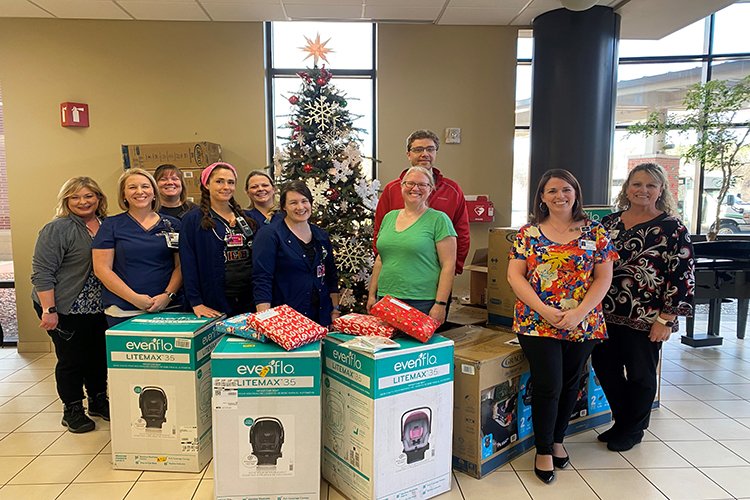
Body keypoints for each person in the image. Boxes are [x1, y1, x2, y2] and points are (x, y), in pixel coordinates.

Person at [507, 169, 617, 484]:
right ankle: (543, 449)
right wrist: (543, 309)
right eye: (552, 190)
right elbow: (515, 276)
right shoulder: (528, 233)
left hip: (583, 322)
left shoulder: (596, 231)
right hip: (536, 321)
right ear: (542, 197)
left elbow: (603, 277)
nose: (560, 196)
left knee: (571, 382)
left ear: (575, 193)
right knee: (548, 384)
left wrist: (580, 312)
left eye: (566, 189)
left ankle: (558, 440)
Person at [594, 163, 695, 452]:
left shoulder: (673, 228)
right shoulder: (609, 224)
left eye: (651, 185)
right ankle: (624, 421)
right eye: (637, 184)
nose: (643, 190)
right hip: (605, 314)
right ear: (627, 188)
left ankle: (633, 428)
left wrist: (666, 319)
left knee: (640, 374)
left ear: (661, 190)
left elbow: (682, 276)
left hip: (648, 318)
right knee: (605, 368)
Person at [31, 177, 110, 433]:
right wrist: (49, 309)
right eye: (75, 197)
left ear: (98, 198)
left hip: (99, 307)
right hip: (65, 306)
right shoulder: (57, 229)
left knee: (98, 357)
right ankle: (72, 408)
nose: (83, 202)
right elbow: (42, 272)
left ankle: (98, 400)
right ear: (66, 201)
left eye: (88, 196)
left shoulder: (107, 225)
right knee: (72, 359)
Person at [92, 168, 182, 326]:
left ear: (154, 192)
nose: (140, 191)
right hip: (124, 310)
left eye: (145, 186)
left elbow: (181, 266)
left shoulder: (173, 225)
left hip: (169, 308)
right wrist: (135, 298)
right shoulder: (111, 225)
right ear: (123, 195)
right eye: (132, 187)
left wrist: (168, 295)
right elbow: (102, 269)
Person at [367, 166, 457, 325]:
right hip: (387, 299)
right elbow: (381, 259)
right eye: (410, 183)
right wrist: (372, 295)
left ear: (430, 189)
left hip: (422, 302)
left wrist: (440, 304)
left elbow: (448, 265)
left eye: (423, 185)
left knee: (415, 350)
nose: (415, 188)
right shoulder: (389, 217)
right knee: (387, 348)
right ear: (402, 186)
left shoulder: (439, 220)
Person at [374, 129, 470, 277]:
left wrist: (453, 269)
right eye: (418, 149)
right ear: (408, 154)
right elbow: (379, 231)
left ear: (436, 153)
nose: (424, 154)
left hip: (438, 275)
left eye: (430, 149)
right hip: (396, 273)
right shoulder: (392, 190)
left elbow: (462, 233)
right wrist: (385, 265)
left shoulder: (452, 190)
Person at [253, 180, 340, 326]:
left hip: (320, 317)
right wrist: (264, 320)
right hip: (285, 320)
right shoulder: (269, 235)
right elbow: (262, 279)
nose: (300, 207)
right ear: (284, 207)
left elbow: (331, 276)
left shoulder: (321, 236)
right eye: (293, 203)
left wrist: (335, 310)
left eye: (304, 201)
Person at [180, 162, 258, 318]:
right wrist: (196, 302)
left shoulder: (247, 218)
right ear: (207, 184)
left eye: (231, 182)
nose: (226, 187)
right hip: (213, 302)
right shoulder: (193, 220)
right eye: (219, 181)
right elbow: (188, 263)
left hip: (248, 300)